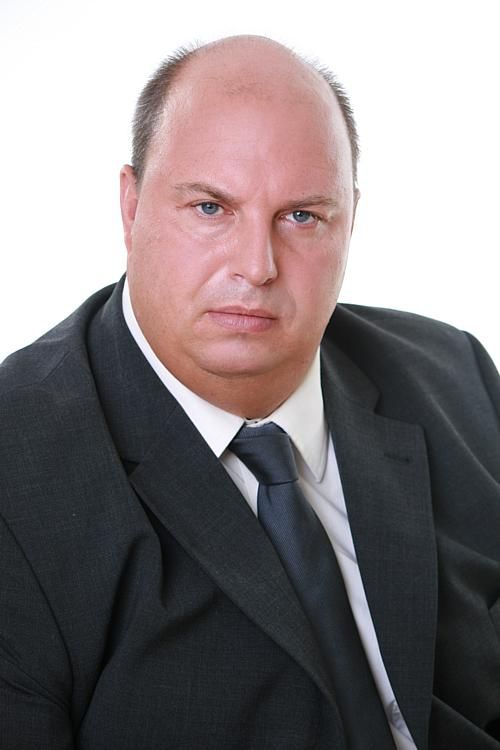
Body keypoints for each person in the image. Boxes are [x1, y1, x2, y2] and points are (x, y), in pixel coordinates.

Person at [0, 35, 499, 750]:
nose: (257, 265)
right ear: (132, 207)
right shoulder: (18, 474)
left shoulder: (458, 380)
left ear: (351, 221)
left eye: (302, 216)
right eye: (211, 208)